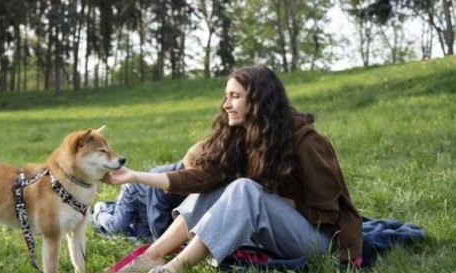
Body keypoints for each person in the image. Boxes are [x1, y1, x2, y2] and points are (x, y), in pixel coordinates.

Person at [106, 65, 363, 273]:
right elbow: (202, 177)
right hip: (279, 233)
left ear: (259, 101)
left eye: (235, 96)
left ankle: (174, 269)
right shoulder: (244, 135)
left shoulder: (307, 142)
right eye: (226, 96)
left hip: (323, 242)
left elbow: (327, 215)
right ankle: (153, 255)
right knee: (221, 187)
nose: (226, 104)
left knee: (244, 189)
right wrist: (136, 177)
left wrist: (269, 201)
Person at [90, 141, 204, 242]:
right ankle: (100, 210)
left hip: (147, 202)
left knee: (144, 237)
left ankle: (116, 208)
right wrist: (161, 240)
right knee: (116, 227)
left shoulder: (195, 182)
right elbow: (157, 211)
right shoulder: (166, 179)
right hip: (134, 192)